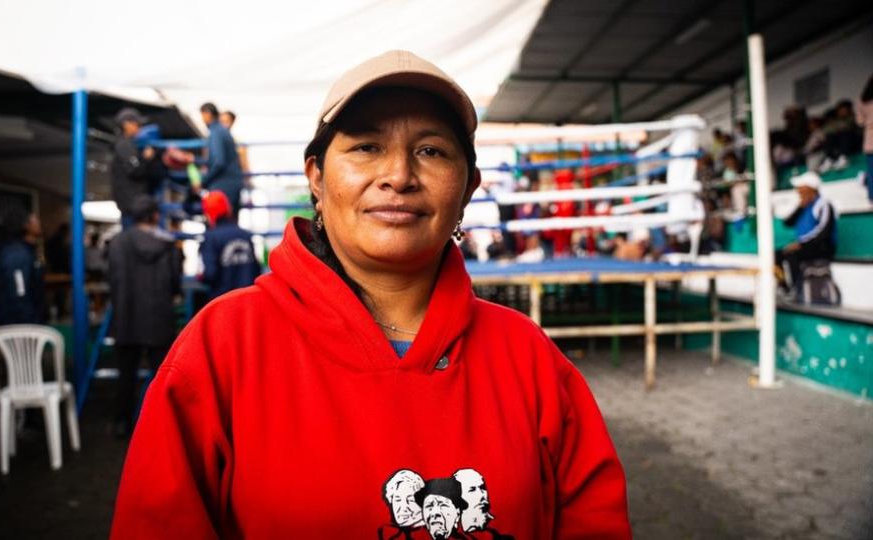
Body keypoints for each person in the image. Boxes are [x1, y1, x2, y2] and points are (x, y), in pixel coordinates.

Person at [111, 50, 630, 538]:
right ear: (316, 176)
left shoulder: (528, 357)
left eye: (430, 150)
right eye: (366, 146)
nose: (398, 176)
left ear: (468, 187)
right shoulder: (222, 347)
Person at [107, 195, 182, 436]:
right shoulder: (168, 244)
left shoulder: (117, 243)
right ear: (155, 216)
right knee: (162, 378)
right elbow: (173, 282)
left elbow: (112, 279)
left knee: (125, 376)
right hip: (158, 319)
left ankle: (121, 423)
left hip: (125, 318)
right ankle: (161, 428)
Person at [775, 171, 837, 296]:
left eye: (801, 188)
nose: (798, 191)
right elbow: (788, 222)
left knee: (792, 255)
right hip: (806, 246)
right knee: (775, 255)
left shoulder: (824, 204)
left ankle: (797, 289)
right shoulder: (805, 206)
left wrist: (801, 244)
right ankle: (783, 286)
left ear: (811, 189)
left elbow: (824, 231)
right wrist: (800, 207)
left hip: (822, 247)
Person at [198, 191, 261, 300]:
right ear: (228, 209)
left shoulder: (211, 237)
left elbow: (209, 274)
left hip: (223, 303)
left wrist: (200, 277)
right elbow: (256, 269)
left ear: (208, 213)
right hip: (249, 302)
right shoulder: (245, 235)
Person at [110, 107, 161, 227]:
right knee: (134, 241)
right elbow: (135, 170)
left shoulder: (130, 143)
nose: (139, 127)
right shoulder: (124, 144)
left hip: (134, 206)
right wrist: (146, 158)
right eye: (136, 123)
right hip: (131, 207)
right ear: (126, 124)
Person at [0, 208, 46, 325]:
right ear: (26, 225)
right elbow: (19, 294)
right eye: (35, 219)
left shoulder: (28, 250)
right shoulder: (17, 254)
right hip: (20, 326)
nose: (39, 222)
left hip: (29, 320)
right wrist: (32, 323)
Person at [199, 103, 245, 214]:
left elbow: (219, 162)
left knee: (219, 220)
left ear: (207, 114)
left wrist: (204, 180)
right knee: (231, 221)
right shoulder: (222, 131)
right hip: (232, 184)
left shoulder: (216, 133)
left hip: (222, 185)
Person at [857, 73, 873, 202]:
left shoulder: (863, 101)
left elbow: (860, 121)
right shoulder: (863, 101)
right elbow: (860, 121)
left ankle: (865, 178)